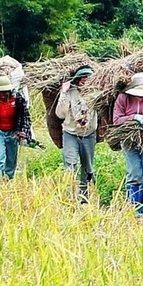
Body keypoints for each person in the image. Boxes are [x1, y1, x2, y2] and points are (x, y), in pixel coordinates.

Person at [113, 72, 143, 213]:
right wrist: (135, 117)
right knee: (135, 173)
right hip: (129, 139)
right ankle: (135, 206)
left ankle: (140, 201)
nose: (141, 96)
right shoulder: (123, 98)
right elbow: (116, 120)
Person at [54, 64, 99, 203]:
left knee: (87, 167)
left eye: (88, 77)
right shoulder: (70, 92)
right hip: (70, 134)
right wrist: (63, 92)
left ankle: (84, 197)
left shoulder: (96, 93)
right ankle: (69, 196)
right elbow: (60, 114)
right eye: (83, 77)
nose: (85, 80)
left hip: (89, 134)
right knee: (70, 164)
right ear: (77, 79)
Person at [0, 68, 33, 179]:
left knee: (11, 158)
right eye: (0, 92)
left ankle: (9, 179)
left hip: (13, 131)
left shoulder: (18, 99)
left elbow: (25, 117)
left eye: (5, 92)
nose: (3, 94)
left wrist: (23, 131)